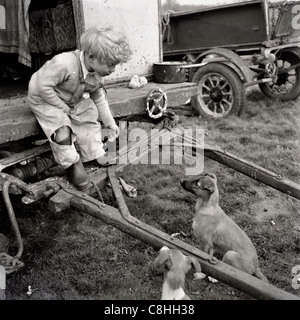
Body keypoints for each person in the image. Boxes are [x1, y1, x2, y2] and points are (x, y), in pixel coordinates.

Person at [27, 25, 132, 190]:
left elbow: (99, 98)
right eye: (111, 65)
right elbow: (42, 87)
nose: (113, 70)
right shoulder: (64, 63)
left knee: (89, 111)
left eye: (115, 65)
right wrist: (62, 108)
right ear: (91, 57)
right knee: (61, 129)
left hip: (69, 98)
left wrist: (110, 123)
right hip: (43, 98)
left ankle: (93, 153)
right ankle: (72, 164)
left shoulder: (97, 74)